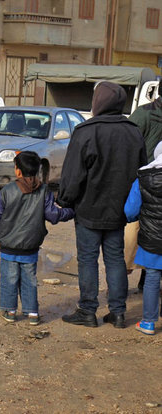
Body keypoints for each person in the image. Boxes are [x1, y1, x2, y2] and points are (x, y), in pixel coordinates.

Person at [58, 81, 147, 329]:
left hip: (89, 209)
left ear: (98, 102)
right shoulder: (133, 131)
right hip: (120, 210)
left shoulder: (86, 131)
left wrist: (64, 201)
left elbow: (73, 174)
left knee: (88, 260)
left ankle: (87, 310)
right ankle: (118, 313)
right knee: (115, 259)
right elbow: (142, 170)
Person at [0, 151, 74, 325]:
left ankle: (10, 311)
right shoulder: (44, 191)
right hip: (31, 246)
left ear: (18, 171)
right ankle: (33, 313)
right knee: (29, 279)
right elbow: (53, 215)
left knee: (9, 279)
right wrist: (71, 211)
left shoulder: (7, 191)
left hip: (8, 246)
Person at [124, 142, 162, 335]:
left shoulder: (143, 178)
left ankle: (148, 322)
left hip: (151, 237)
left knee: (153, 277)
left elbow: (130, 211)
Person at [126, 87, 162, 291]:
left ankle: (123, 287)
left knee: (132, 234)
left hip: (143, 181)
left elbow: (126, 141)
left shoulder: (143, 113)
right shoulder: (145, 114)